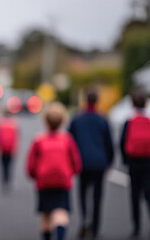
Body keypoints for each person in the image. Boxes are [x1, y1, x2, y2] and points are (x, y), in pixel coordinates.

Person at [27, 102, 82, 240]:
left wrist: (35, 175)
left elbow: (31, 164)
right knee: (61, 213)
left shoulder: (38, 139)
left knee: (46, 214)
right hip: (63, 181)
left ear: (45, 121)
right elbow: (76, 163)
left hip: (44, 182)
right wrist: (72, 173)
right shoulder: (67, 139)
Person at [69, 90, 114, 238]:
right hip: (99, 162)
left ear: (85, 100)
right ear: (97, 101)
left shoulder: (77, 119)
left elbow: (70, 142)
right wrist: (109, 161)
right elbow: (109, 143)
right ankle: (95, 228)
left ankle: (84, 219)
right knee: (97, 196)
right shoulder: (102, 119)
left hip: (82, 162)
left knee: (82, 193)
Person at [120, 89, 150, 238]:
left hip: (133, 162)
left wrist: (126, 161)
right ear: (146, 103)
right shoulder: (148, 121)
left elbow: (122, 143)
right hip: (148, 162)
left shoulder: (129, 122)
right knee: (148, 194)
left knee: (135, 195)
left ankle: (136, 227)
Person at [0, 108, 19, 192]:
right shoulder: (14, 123)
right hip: (11, 148)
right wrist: (16, 148)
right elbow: (16, 137)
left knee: (3, 165)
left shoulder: (0, 122)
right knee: (10, 165)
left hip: (2, 148)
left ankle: (4, 180)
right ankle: (9, 180)